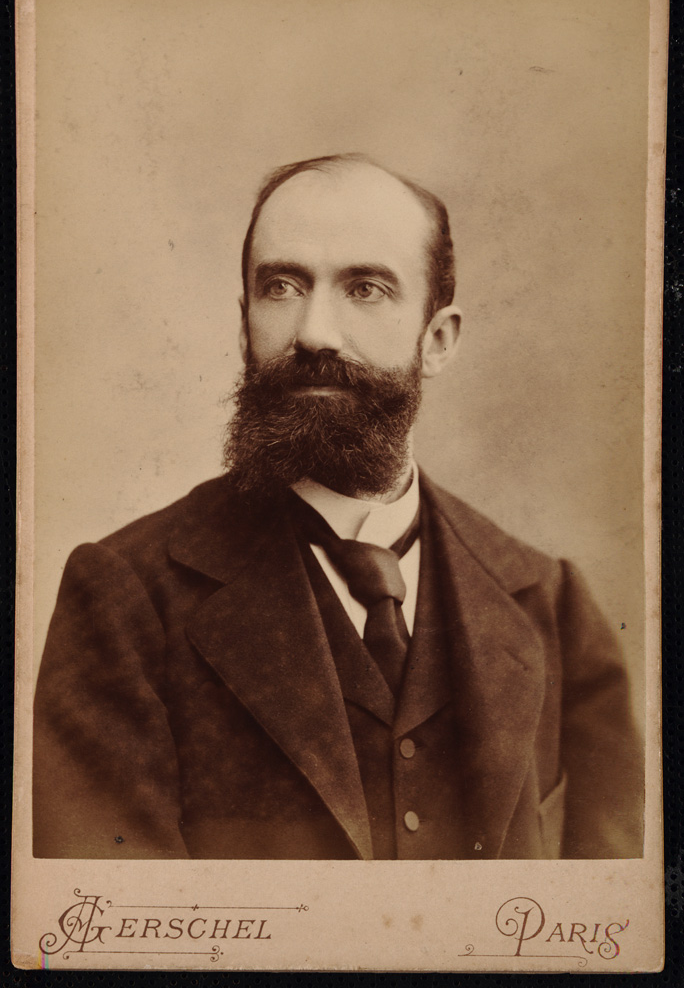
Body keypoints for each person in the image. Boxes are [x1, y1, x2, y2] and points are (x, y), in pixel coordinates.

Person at [33, 153, 643, 861]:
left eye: (366, 289)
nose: (315, 331)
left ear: (438, 340)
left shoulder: (552, 607)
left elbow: (602, 908)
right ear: (244, 326)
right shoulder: (125, 597)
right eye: (282, 287)